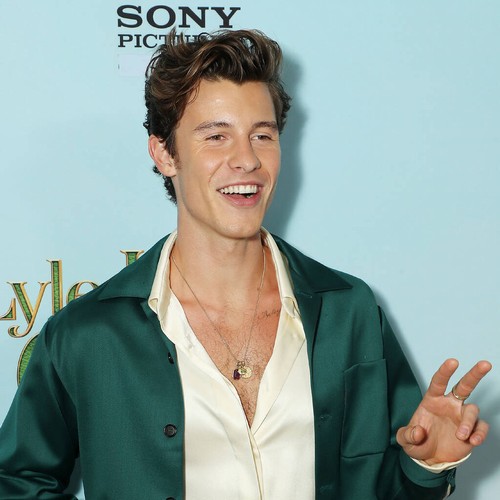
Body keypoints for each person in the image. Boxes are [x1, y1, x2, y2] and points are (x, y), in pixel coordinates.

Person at [0, 29, 492, 499]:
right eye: (216, 136)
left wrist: (428, 465)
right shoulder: (88, 333)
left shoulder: (349, 310)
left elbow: (391, 489)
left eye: (262, 135)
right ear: (164, 153)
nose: (247, 160)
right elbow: (15, 481)